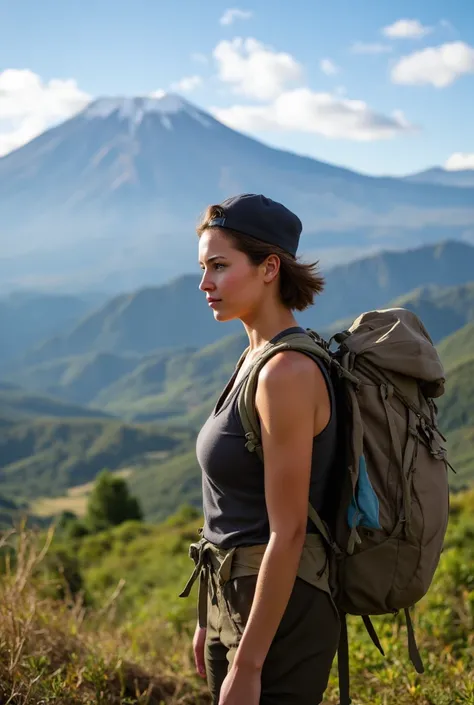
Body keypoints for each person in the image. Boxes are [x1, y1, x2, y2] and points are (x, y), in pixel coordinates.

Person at [188, 194, 340, 705]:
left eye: (219, 266)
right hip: (235, 602)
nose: (204, 283)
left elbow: (288, 529)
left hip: (280, 613)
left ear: (269, 267)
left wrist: (249, 662)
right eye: (203, 267)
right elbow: (231, 509)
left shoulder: (286, 374)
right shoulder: (254, 357)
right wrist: (209, 619)